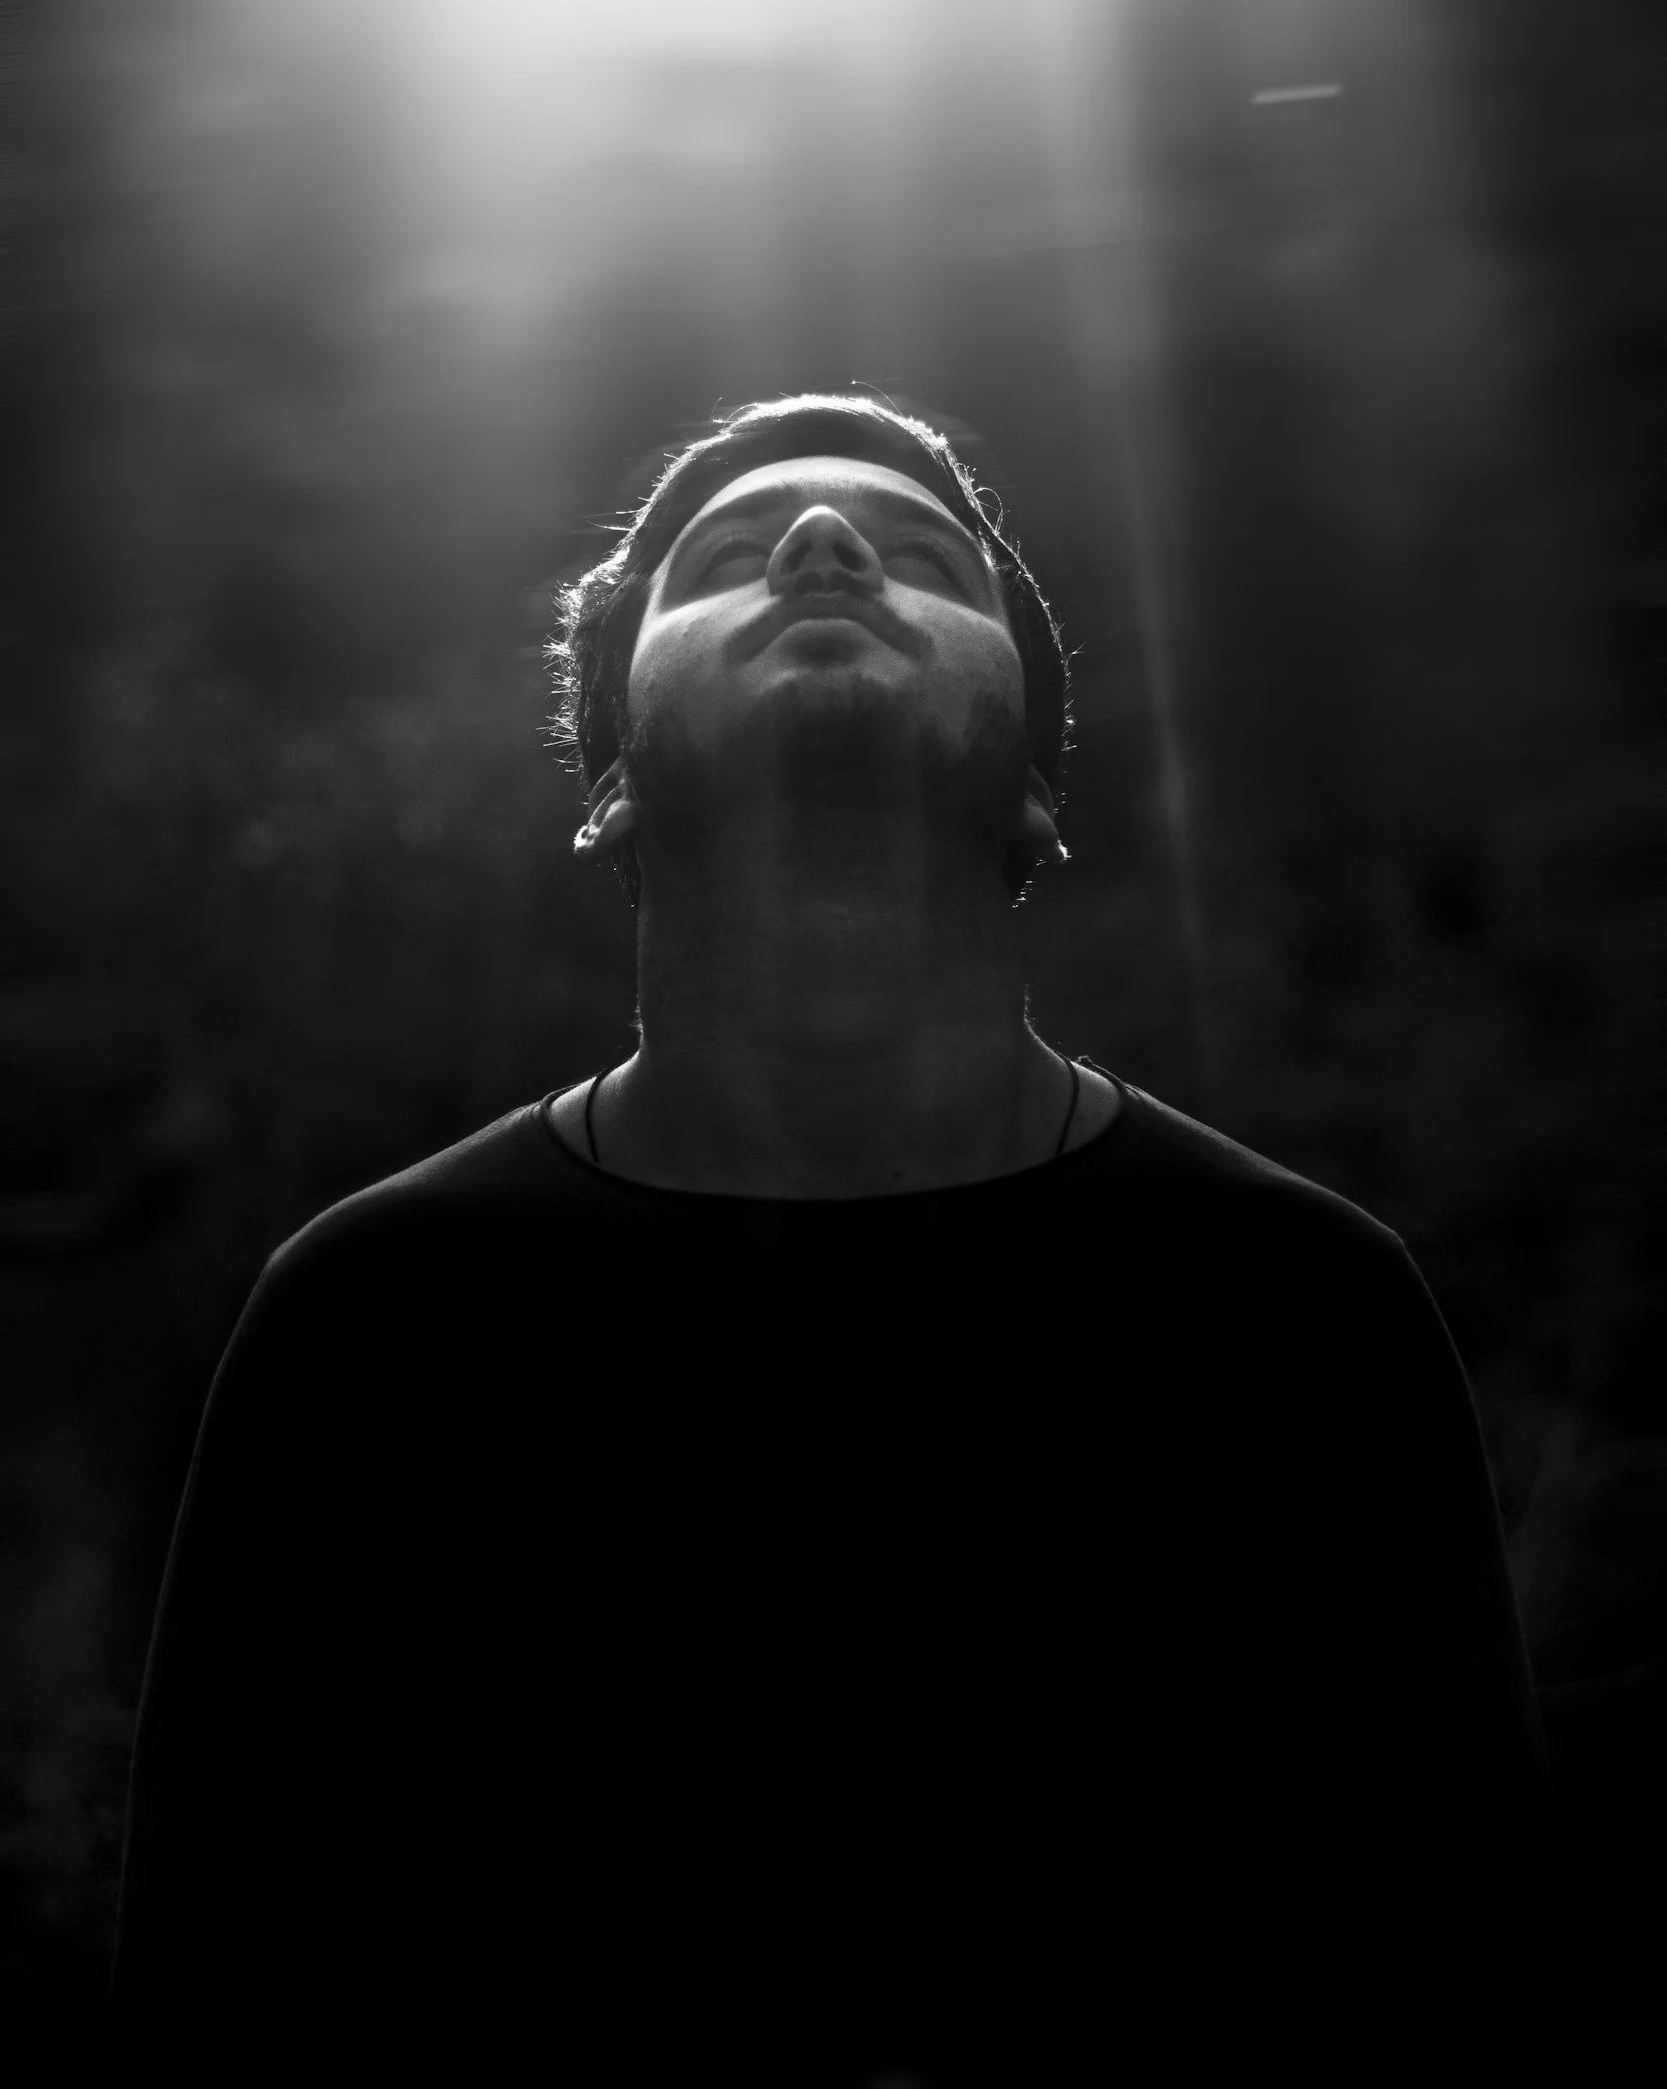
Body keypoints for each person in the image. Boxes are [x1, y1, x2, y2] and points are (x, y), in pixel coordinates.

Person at [112, 392, 1552, 2081]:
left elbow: (1461, 1997)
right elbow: (217, 2017)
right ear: (615, 779)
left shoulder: (1301, 1311)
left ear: (1029, 789)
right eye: (722, 557)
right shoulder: (373, 1322)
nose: (819, 543)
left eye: (928, 558)